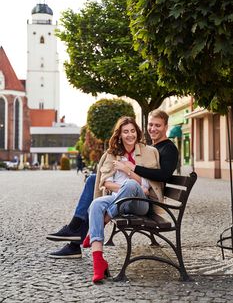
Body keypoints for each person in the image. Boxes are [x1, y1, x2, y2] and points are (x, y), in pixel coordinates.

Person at [46, 109, 178, 258]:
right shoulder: (148, 146)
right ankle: (75, 228)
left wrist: (130, 168)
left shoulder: (167, 149)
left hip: (144, 198)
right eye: (151, 125)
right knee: (92, 180)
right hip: (130, 191)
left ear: (166, 127)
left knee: (122, 187)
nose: (153, 129)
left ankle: (79, 235)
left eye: (158, 126)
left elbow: (163, 176)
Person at [86, 116, 163, 283]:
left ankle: (103, 221)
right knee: (96, 204)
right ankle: (98, 262)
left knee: (130, 184)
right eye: (125, 131)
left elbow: (148, 185)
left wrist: (127, 170)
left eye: (133, 131)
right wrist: (126, 190)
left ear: (137, 132)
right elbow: (105, 182)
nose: (130, 135)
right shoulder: (112, 154)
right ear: (119, 135)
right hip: (118, 200)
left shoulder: (149, 152)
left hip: (141, 204)